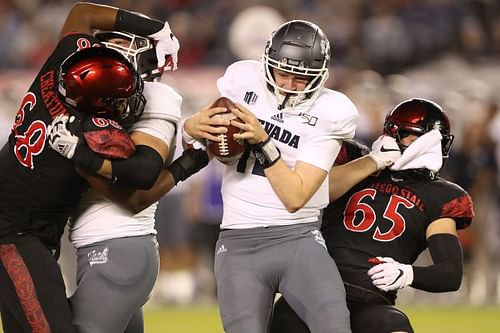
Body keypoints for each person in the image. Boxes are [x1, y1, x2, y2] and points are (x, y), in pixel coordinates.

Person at [0, 2, 195, 332]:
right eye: (120, 99)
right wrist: (190, 161)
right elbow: (140, 185)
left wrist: (155, 28)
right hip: (14, 236)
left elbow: (82, 13)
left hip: (24, 227)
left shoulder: (63, 61)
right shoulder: (86, 130)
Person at [183, 20, 358, 333]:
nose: (289, 83)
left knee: (334, 326)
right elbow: (205, 145)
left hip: (298, 238)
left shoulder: (332, 110)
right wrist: (192, 128)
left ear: (319, 76)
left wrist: (264, 142)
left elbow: (296, 196)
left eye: (301, 77)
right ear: (267, 64)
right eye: (283, 73)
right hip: (238, 242)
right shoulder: (241, 80)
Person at [270, 98, 475, 333]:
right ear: (394, 134)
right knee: (287, 318)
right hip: (315, 288)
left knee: (395, 326)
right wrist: (372, 161)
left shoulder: (442, 195)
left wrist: (408, 274)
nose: (429, 148)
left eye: (436, 142)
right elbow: (313, 193)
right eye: (418, 138)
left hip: (371, 300)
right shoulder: (357, 159)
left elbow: (451, 272)